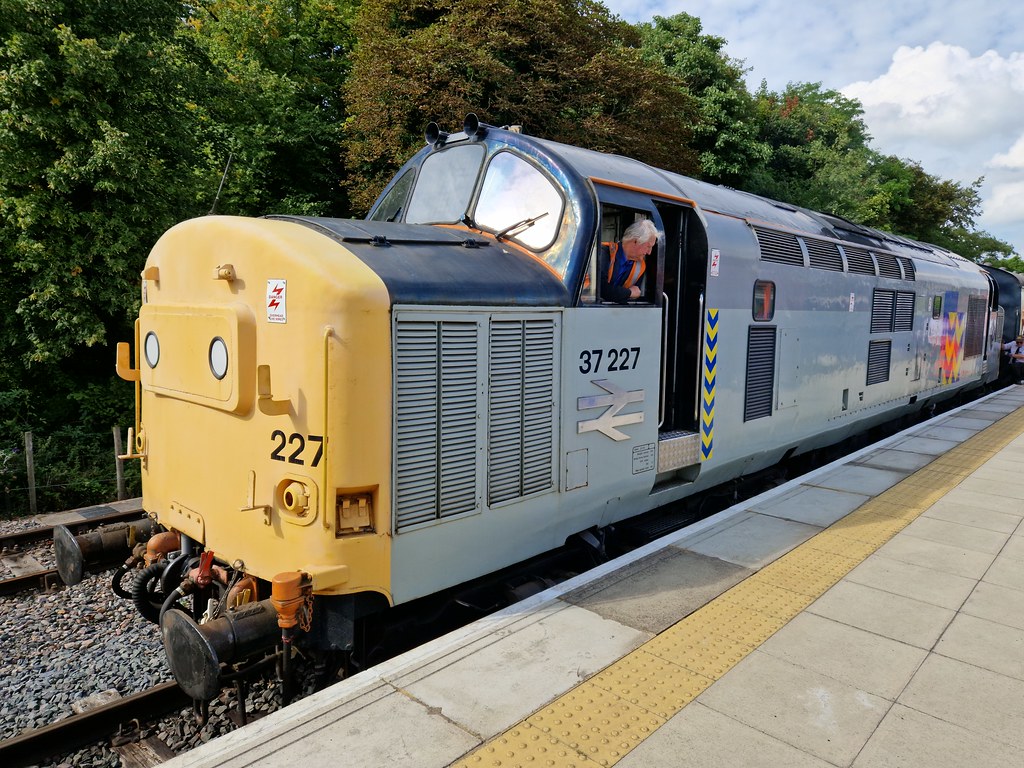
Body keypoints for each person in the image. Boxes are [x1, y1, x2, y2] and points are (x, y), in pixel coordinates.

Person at [599, 219, 661, 304]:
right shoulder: (602, 253)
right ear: (635, 241)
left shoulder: (641, 266)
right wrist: (629, 292)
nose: (649, 252)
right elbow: (601, 289)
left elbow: (635, 295)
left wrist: (628, 294)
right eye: (648, 246)